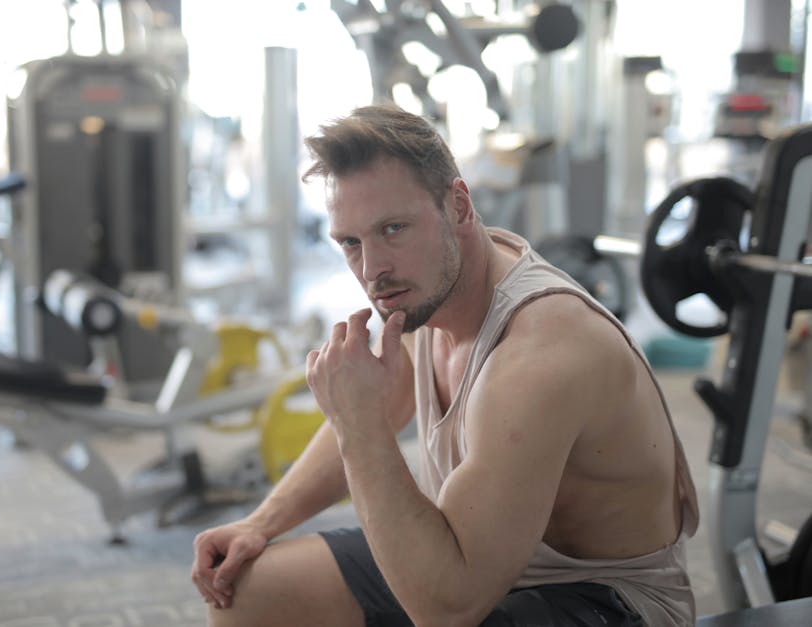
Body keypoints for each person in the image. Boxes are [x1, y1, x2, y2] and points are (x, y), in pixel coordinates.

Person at [191, 103, 699, 627]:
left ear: (457, 207)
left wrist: (358, 427)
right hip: (480, 567)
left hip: (607, 603)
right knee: (248, 591)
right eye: (350, 242)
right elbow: (382, 409)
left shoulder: (539, 356)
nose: (373, 269)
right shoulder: (428, 293)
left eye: (393, 228)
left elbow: (447, 610)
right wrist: (260, 523)